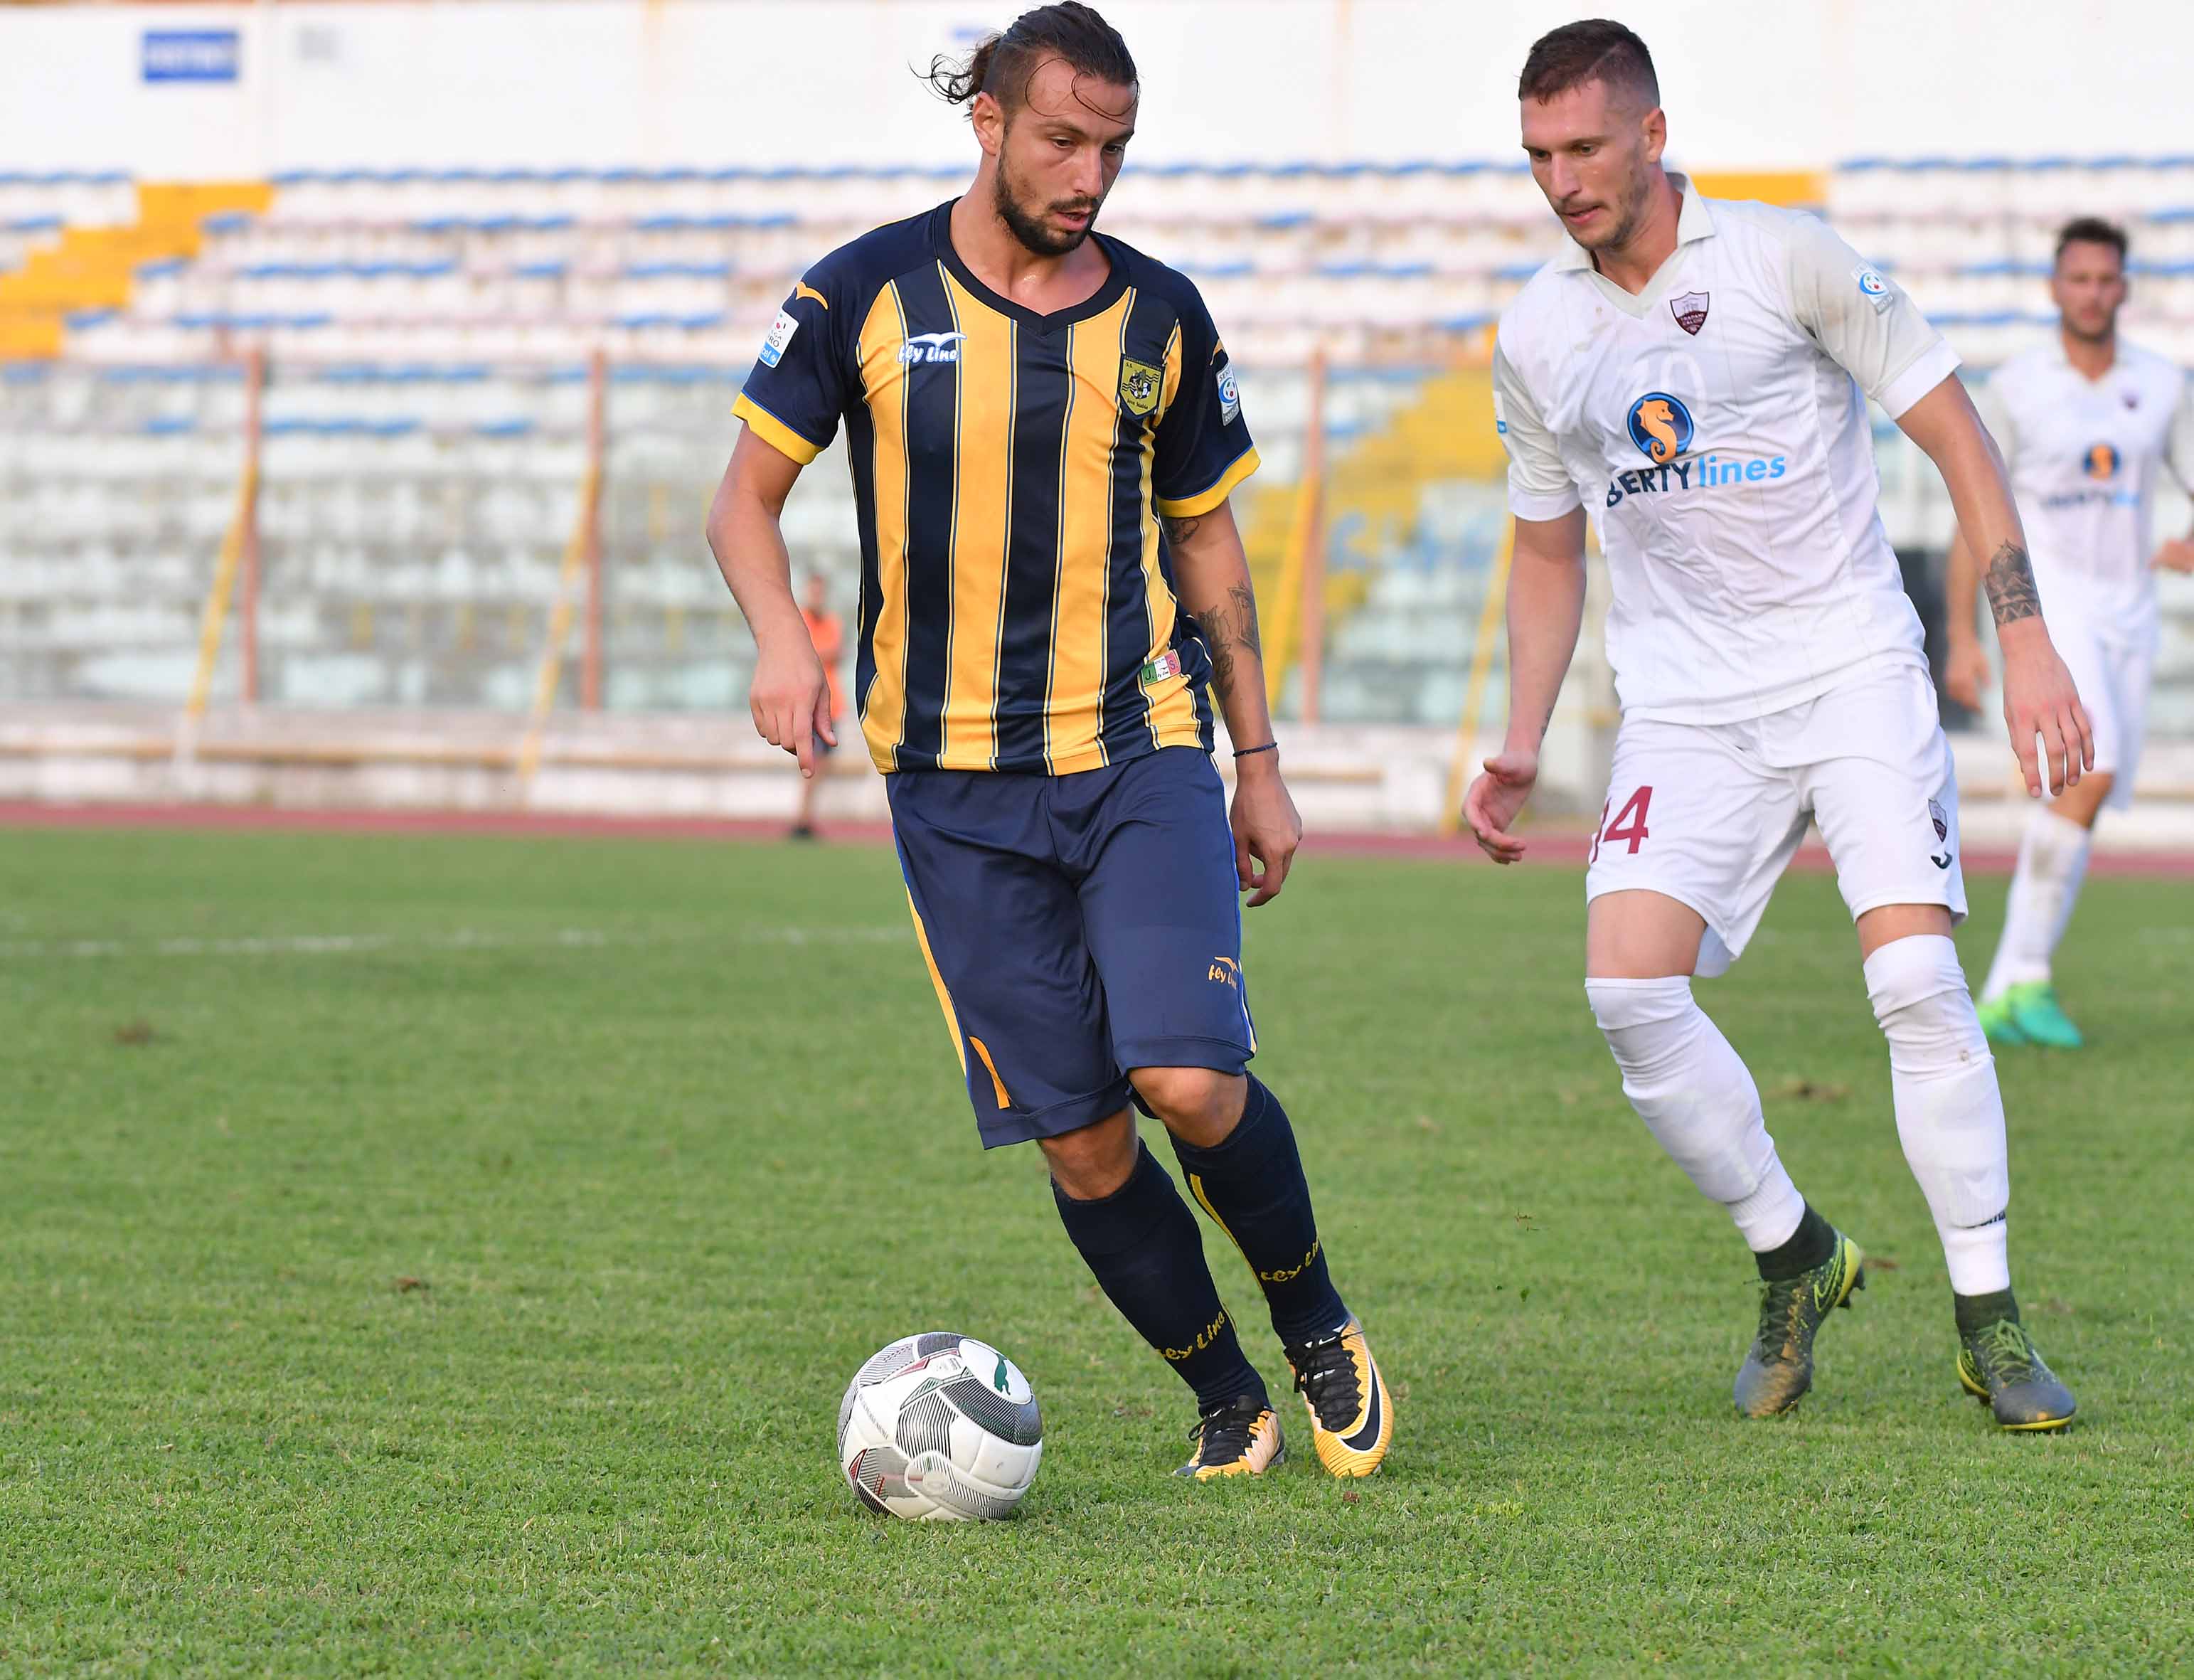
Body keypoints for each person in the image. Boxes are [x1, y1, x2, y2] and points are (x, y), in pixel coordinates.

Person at [703, 2, 1391, 1479]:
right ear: (991, 123)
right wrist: (778, 635)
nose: (1091, 174)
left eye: (1115, 147)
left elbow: (1207, 547)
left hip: (1136, 746)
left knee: (1188, 1082)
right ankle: (1223, 1390)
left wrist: (1256, 757)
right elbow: (740, 500)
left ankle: (1317, 1318)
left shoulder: (1161, 314)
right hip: (950, 788)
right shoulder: (862, 295)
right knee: (1082, 1141)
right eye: (1065, 140)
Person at [1465, 18, 2092, 1430]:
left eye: (1582, 148)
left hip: (1851, 668)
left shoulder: (1786, 258)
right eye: (1537, 156)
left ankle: (1990, 1322)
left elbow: (1955, 436)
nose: (1560, 180)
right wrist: (1517, 733)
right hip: (1685, 704)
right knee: (1627, 989)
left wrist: (2025, 630)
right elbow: (1549, 549)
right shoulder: (1536, 331)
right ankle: (1797, 1253)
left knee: (1917, 984)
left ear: (1651, 133)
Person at [1947, 217, 2194, 1048]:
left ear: (2123, 288)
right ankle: (2014, 979)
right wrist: (1961, 636)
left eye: (2105, 279)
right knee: (2094, 770)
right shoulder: (2017, 386)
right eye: (2077, 278)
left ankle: (2019, 984)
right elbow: (1970, 512)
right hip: (2051, 608)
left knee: (2081, 793)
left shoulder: (2160, 384)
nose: (2091, 292)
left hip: (2130, 611)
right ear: (2055, 288)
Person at [791, 573, 848, 839]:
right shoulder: (801, 619)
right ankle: (802, 819)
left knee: (821, 764)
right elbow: (803, 651)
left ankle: (805, 817)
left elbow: (833, 653)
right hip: (810, 704)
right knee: (813, 763)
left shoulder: (832, 622)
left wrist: (815, 651)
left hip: (832, 704)